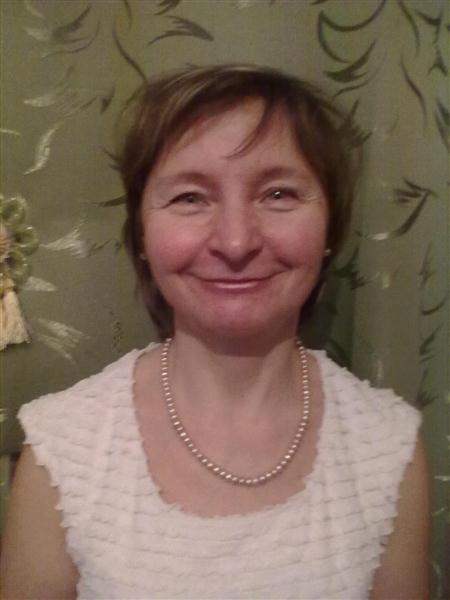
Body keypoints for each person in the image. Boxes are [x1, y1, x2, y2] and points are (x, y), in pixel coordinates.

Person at [1, 64, 429, 599]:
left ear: (330, 228)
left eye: (278, 193)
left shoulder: (389, 448)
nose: (235, 241)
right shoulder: (61, 449)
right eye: (190, 198)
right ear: (142, 234)